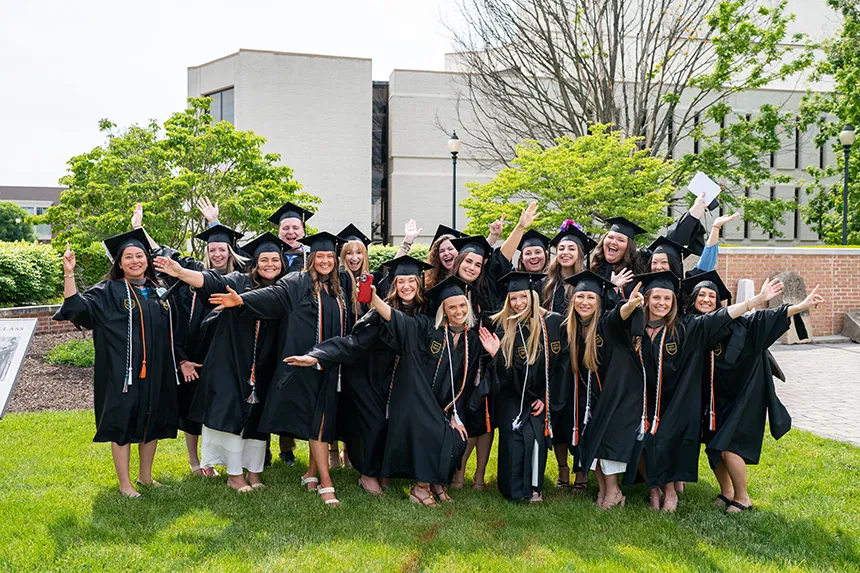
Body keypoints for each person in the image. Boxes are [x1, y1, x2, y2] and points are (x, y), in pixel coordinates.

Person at [624, 270, 784, 512]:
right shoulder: (635, 328)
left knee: (667, 442)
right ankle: (654, 489)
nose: (661, 303)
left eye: (667, 299)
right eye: (656, 298)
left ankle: (671, 493)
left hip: (675, 398)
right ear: (646, 299)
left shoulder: (683, 327)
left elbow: (720, 317)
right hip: (643, 400)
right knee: (641, 444)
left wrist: (756, 300)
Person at [210, 231, 349, 507]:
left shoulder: (338, 289)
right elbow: (275, 295)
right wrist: (242, 301)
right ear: (311, 259)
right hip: (302, 362)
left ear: (335, 260)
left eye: (329, 257)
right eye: (319, 256)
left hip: (330, 363)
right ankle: (325, 481)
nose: (324, 261)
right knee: (317, 422)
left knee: (320, 420)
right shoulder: (298, 281)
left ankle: (310, 472)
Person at [285, 255, 434, 496]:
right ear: (394, 285)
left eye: (412, 281)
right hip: (369, 378)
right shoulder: (379, 313)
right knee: (373, 425)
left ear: (419, 283)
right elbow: (353, 342)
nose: (406, 286)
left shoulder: (426, 312)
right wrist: (318, 355)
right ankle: (367, 474)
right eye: (401, 281)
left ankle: (384, 470)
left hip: (402, 381)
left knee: (393, 424)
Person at [154, 233, 288, 492]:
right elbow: (211, 280)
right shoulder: (238, 280)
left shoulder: (284, 287)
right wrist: (182, 273)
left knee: (256, 418)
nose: (269, 264)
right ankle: (234, 474)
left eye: (275, 259)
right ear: (254, 262)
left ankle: (255, 471)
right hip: (230, 361)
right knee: (229, 415)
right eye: (264, 259)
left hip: (264, 363)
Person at [683, 271, 824, 513]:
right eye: (701, 295)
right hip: (714, 399)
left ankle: (743, 497)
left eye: (711, 296)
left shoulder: (739, 324)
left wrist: (800, 306)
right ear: (693, 298)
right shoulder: (690, 325)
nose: (706, 299)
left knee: (728, 447)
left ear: (718, 301)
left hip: (744, 394)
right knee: (713, 446)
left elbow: (765, 318)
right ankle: (727, 492)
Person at [55, 229, 180, 498]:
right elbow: (77, 309)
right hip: (122, 372)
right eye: (128, 257)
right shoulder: (108, 291)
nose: (135, 261)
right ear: (119, 264)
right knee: (123, 422)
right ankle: (125, 485)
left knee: (152, 419)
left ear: (147, 259)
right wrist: (69, 274)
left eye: (140, 256)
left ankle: (145, 477)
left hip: (156, 370)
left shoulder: (159, 291)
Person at [137, 202, 246, 478]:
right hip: (197, 349)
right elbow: (164, 254)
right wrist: (139, 230)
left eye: (222, 249)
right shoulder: (194, 271)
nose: (217, 253)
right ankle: (196, 460)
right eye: (213, 249)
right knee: (191, 406)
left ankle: (228, 458)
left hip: (231, 350)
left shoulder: (241, 275)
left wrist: (214, 222)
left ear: (230, 251)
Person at [369, 275, 496, 506]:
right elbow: (397, 319)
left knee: (458, 435)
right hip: (417, 400)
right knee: (434, 430)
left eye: (461, 305)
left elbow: (464, 385)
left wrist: (456, 415)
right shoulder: (427, 327)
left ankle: (437, 483)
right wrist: (374, 298)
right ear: (443, 310)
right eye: (452, 307)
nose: (458, 311)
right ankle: (420, 488)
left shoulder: (472, 340)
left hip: (447, 405)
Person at [448, 201, 539, 490]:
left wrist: (520, 227)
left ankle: (478, 477)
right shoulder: (446, 289)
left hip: (487, 359)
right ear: (458, 262)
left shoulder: (487, 285)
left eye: (477, 263)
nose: (473, 267)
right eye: (468, 262)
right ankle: (457, 472)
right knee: (460, 412)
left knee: (486, 418)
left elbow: (502, 256)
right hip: (456, 360)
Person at [477, 271, 565, 503]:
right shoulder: (503, 327)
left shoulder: (552, 323)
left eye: (523, 297)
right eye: (513, 299)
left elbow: (559, 368)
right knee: (515, 436)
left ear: (532, 296)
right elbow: (501, 376)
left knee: (536, 435)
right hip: (511, 395)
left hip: (539, 396)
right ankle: (514, 490)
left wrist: (546, 397)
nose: (518, 303)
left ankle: (535, 487)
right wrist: (496, 354)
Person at [564, 271, 646, 509]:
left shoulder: (605, 323)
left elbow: (619, 316)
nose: (584, 302)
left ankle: (614, 491)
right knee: (593, 441)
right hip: (598, 396)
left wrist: (629, 305)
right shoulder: (575, 328)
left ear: (599, 301)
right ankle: (604, 490)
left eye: (590, 297)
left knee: (606, 442)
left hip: (622, 393)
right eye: (580, 297)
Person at [424, 225, 464, 290]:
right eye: (441, 251)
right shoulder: (431, 281)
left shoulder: (467, 275)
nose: (446, 253)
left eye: (450, 249)